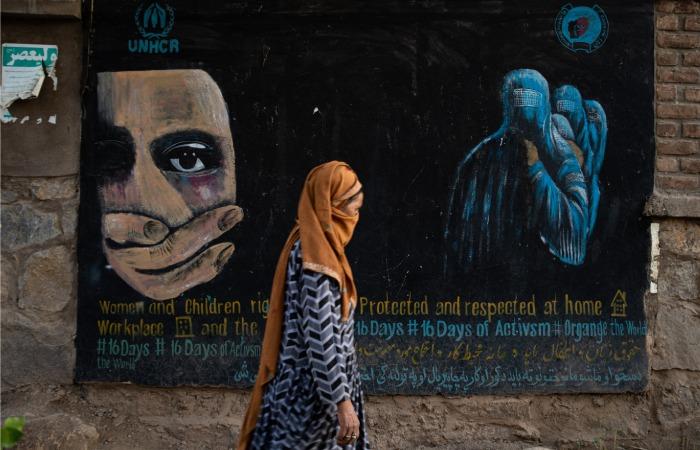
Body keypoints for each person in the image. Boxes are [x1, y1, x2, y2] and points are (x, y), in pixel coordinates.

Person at [238, 161, 369, 450]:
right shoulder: (316, 259)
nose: (356, 213)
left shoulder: (319, 248)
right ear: (331, 206)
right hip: (311, 403)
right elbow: (321, 337)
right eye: (352, 204)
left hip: (319, 394)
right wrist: (342, 401)